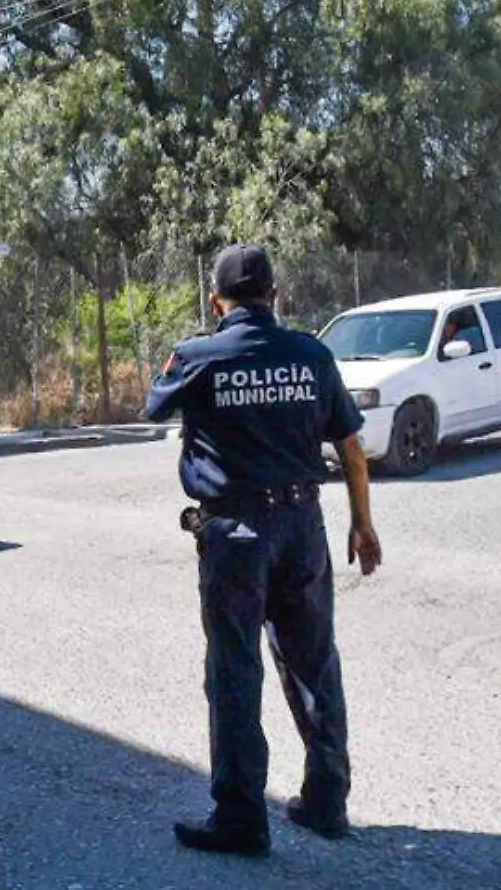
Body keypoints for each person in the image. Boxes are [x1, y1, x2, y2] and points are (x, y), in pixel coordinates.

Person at [144, 243, 384, 859]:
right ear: (275, 296)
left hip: (235, 536)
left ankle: (242, 819)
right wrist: (363, 525)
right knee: (314, 661)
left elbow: (154, 405)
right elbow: (351, 448)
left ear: (215, 300)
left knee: (234, 669)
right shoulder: (311, 354)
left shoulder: (199, 356)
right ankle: (327, 802)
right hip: (303, 526)